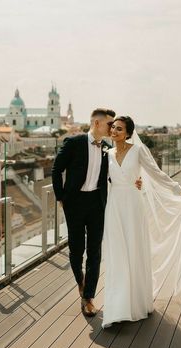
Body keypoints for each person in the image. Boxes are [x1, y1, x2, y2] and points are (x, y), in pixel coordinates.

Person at [102, 116, 181, 328]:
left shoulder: (138, 151)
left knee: (134, 252)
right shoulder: (108, 154)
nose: (114, 131)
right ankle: (117, 308)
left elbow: (157, 174)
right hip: (114, 207)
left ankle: (137, 303)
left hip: (133, 206)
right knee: (118, 255)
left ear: (129, 133)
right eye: (113, 127)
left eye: (119, 129)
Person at [52, 109, 142, 317]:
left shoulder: (108, 149)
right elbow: (57, 170)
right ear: (96, 122)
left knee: (95, 251)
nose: (112, 128)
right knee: (76, 250)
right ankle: (80, 282)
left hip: (98, 204)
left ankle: (88, 297)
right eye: (110, 124)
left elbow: (116, 175)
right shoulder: (74, 143)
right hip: (74, 203)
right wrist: (60, 197)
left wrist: (135, 181)